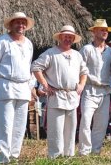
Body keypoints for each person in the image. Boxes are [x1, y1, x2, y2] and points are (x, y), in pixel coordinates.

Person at [31, 25, 88, 158]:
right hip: (56, 95)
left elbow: (84, 72)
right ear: (60, 37)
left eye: (70, 37)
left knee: (71, 127)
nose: (68, 39)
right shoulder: (50, 53)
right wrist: (45, 85)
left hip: (72, 96)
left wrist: (81, 85)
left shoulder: (77, 55)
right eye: (66, 36)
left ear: (74, 39)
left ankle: (69, 155)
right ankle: (55, 156)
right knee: (55, 128)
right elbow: (35, 67)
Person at [0, 12, 35, 163]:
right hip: (6, 85)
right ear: (11, 24)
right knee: (5, 124)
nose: (20, 25)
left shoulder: (28, 43)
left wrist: (30, 87)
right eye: (17, 22)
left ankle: (14, 155)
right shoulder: (2, 42)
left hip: (23, 87)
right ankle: (1, 158)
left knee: (20, 125)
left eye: (23, 23)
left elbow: (28, 66)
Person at [78, 19, 111, 155]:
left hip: (105, 91)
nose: (105, 32)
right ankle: (84, 151)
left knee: (101, 123)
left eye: (106, 30)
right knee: (86, 121)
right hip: (89, 88)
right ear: (94, 31)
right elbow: (79, 69)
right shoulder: (86, 49)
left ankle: (96, 151)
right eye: (101, 29)